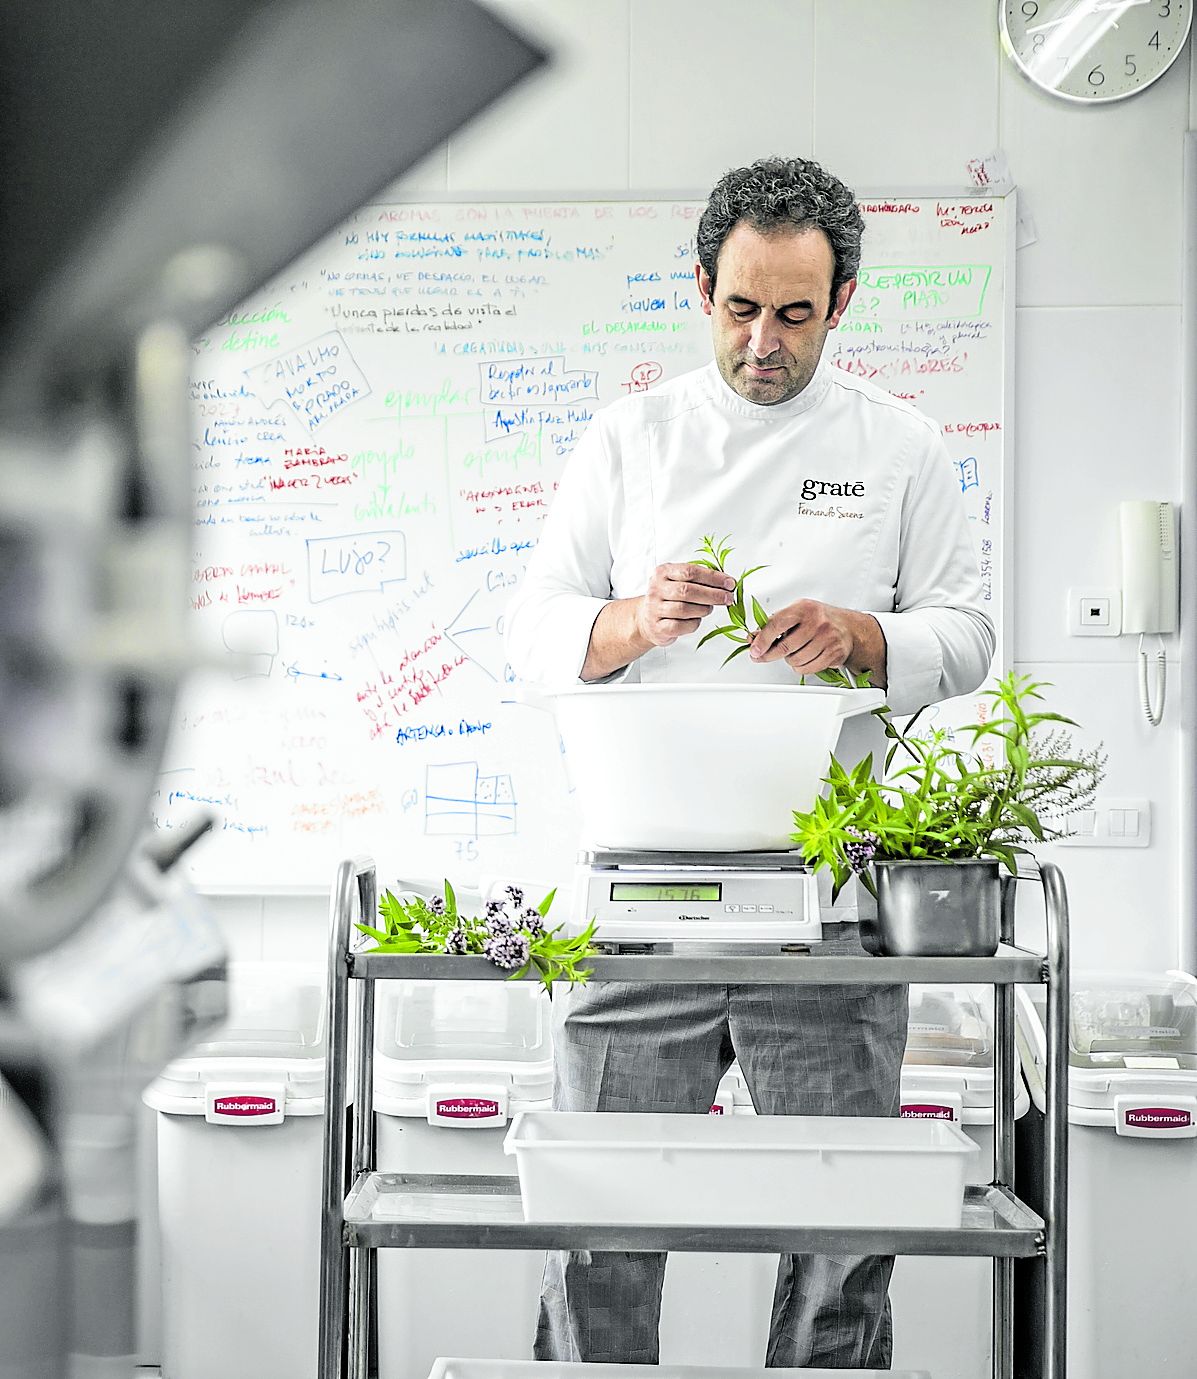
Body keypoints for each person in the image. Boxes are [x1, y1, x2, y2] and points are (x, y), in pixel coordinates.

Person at [503, 156, 995, 1369]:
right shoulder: (631, 438)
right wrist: (632, 619)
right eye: (739, 307)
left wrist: (867, 634)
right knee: (599, 1227)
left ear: (843, 303)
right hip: (642, 894)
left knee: (841, 1234)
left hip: (828, 901)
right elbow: (531, 631)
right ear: (701, 288)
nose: (763, 342)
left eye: (794, 313)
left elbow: (971, 633)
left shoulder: (902, 447)